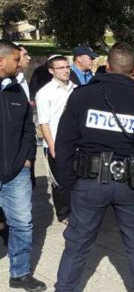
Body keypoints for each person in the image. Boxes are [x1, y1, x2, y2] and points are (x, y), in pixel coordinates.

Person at [54, 43, 134, 292]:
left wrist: (68, 183)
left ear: (107, 67)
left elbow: (63, 144)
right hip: (129, 183)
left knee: (77, 246)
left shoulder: (82, 95)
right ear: (133, 69)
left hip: (88, 182)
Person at [0, 41, 47, 292]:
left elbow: (29, 128)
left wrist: (27, 158)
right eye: (17, 60)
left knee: (22, 224)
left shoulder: (17, 89)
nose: (21, 64)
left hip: (16, 172)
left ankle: (19, 274)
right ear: (1, 61)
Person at [36, 56, 76, 224]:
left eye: (67, 67)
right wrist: (51, 145)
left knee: (76, 177)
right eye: (60, 68)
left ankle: (77, 209)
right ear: (51, 71)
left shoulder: (76, 88)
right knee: (59, 180)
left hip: (75, 142)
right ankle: (64, 213)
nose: (65, 70)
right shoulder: (44, 93)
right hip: (55, 142)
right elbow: (44, 122)